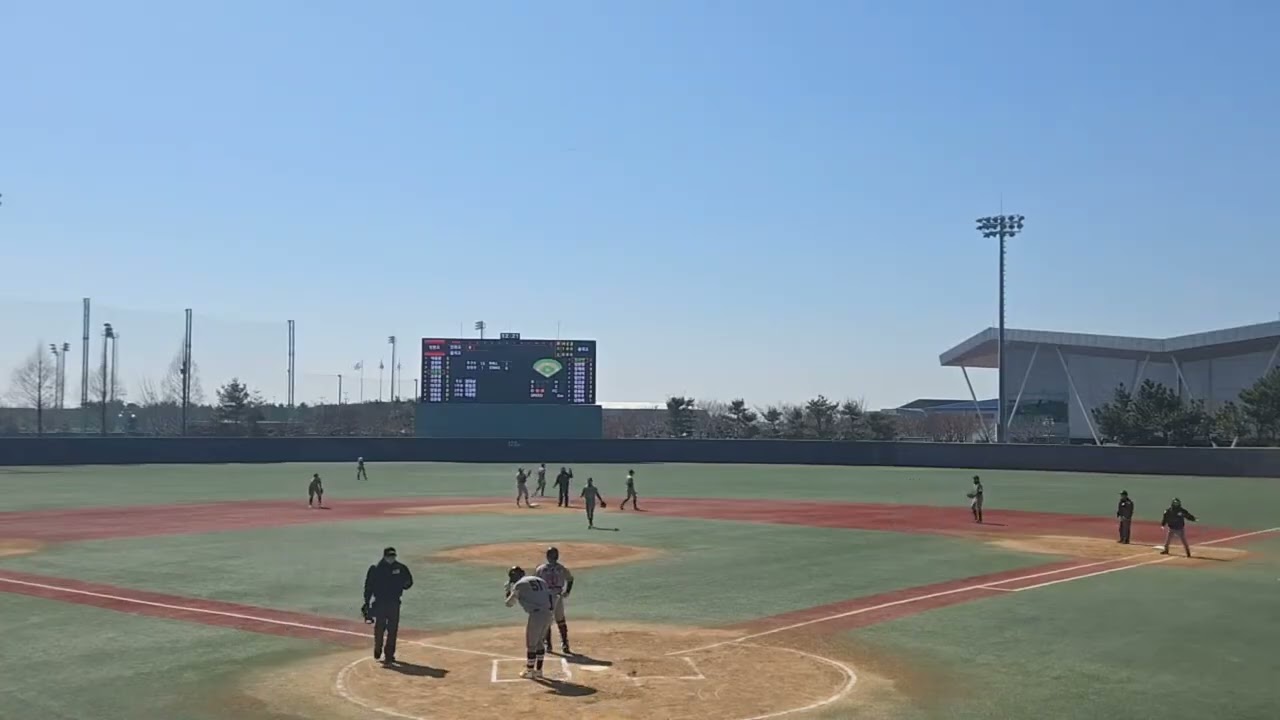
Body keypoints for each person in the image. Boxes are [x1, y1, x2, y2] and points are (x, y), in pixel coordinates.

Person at [362, 547, 414, 664]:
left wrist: (403, 585)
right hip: (380, 602)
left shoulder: (400, 568)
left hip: (394, 602)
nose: (391, 558)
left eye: (393, 556)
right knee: (380, 627)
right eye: (389, 556)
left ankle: (389, 654)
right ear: (384, 556)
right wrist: (367, 602)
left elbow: (409, 581)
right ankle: (378, 649)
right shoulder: (376, 569)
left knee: (393, 629)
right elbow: (368, 586)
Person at [505, 566, 554, 679]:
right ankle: (539, 671)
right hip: (548, 613)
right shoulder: (539, 580)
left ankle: (530, 670)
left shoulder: (519, 585)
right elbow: (550, 596)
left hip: (537, 615)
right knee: (540, 642)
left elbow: (509, 603)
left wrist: (508, 590)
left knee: (531, 644)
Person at [535, 546, 576, 654]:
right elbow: (570, 579)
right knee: (561, 620)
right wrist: (567, 591)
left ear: (547, 556)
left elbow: (535, 582)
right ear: (557, 556)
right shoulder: (561, 568)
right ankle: (565, 644)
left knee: (547, 621)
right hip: (558, 596)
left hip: (546, 597)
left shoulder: (541, 569)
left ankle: (548, 645)